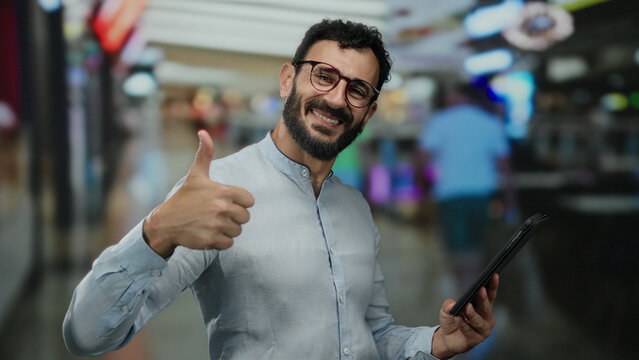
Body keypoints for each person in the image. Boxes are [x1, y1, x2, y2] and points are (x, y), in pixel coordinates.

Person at [63, 19, 499, 360]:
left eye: (357, 90)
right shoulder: (218, 191)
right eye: (324, 76)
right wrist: (154, 233)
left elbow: (372, 335)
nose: (335, 99)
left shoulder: (355, 207)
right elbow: (87, 334)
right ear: (288, 79)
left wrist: (436, 342)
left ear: (368, 114)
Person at [418, 84, 514, 301]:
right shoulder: (490, 122)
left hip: (451, 195)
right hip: (482, 195)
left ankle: (464, 296)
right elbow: (504, 165)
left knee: (457, 250)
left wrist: (423, 186)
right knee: (478, 248)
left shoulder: (440, 121)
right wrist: (510, 200)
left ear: (458, 96)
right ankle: (474, 296)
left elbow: (421, 156)